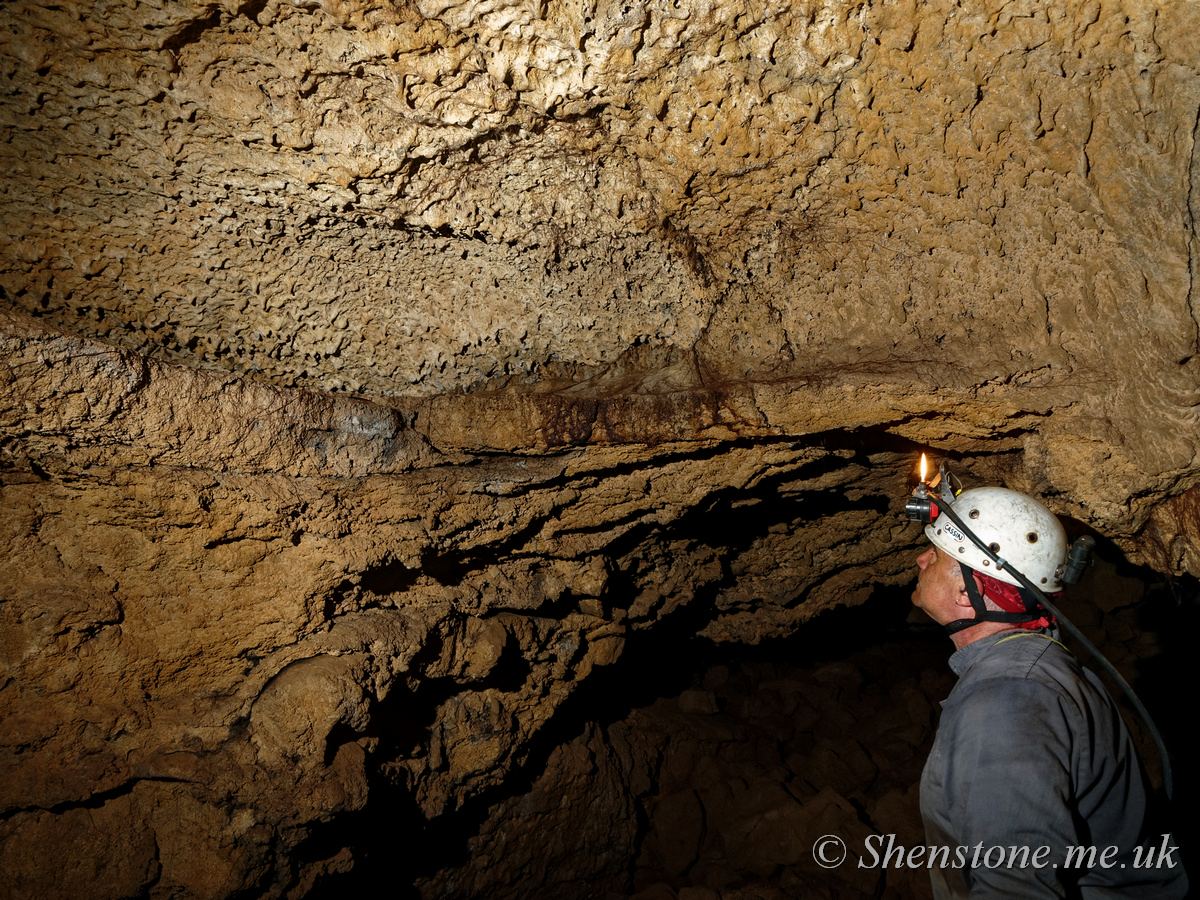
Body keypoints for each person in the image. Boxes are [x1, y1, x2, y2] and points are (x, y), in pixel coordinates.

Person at [912, 486, 1188, 899]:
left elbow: (1016, 884)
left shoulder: (1008, 699)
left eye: (935, 554)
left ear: (967, 594)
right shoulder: (1035, 667)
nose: (921, 558)